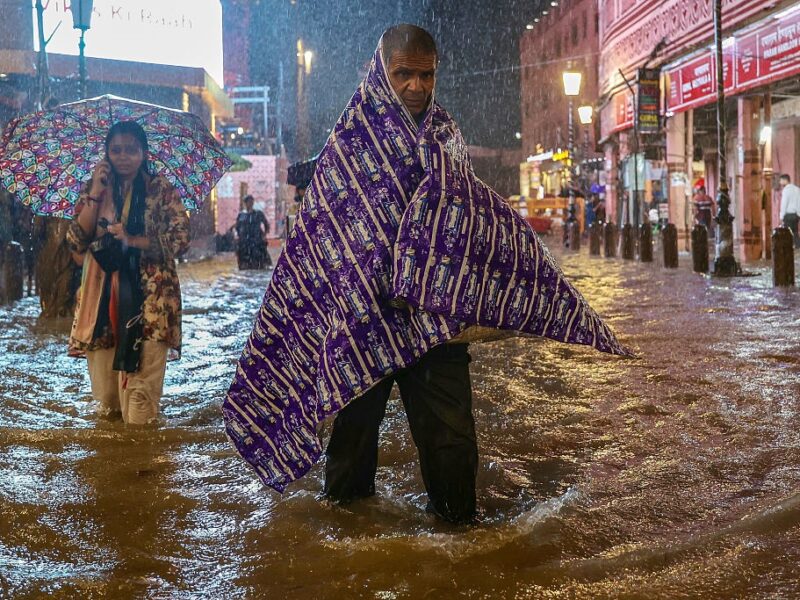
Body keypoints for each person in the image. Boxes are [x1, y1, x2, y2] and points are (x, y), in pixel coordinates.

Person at [223, 24, 627, 525]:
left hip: (434, 321)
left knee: (452, 448)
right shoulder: (348, 143)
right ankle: (348, 546)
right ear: (380, 73)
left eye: (426, 75)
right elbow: (322, 238)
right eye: (403, 74)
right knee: (350, 454)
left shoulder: (445, 136)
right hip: (361, 321)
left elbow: (467, 221)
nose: (416, 86)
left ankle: (459, 541)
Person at [66, 120, 189, 425]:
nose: (123, 157)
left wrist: (132, 240)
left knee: (140, 407)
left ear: (144, 153)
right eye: (116, 150)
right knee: (108, 406)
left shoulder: (160, 190)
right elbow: (75, 241)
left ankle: (143, 451)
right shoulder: (95, 188)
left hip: (152, 302)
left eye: (131, 150)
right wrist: (96, 193)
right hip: (101, 303)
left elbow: (181, 240)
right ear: (106, 153)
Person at [235, 194, 271, 269]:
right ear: (245, 203)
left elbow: (266, 224)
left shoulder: (258, 214)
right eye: (248, 202)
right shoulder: (241, 215)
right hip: (244, 241)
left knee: (258, 257)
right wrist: (238, 237)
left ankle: (261, 265)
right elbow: (237, 227)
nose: (249, 203)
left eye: (251, 201)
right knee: (243, 258)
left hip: (256, 240)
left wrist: (264, 235)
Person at [779, 173, 800, 248]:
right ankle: (798, 247)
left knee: (787, 233)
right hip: (796, 215)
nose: (780, 182)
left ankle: (788, 249)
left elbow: (784, 204)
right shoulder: (797, 189)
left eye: (781, 180)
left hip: (788, 215)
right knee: (795, 232)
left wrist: (781, 216)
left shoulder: (786, 190)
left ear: (785, 180)